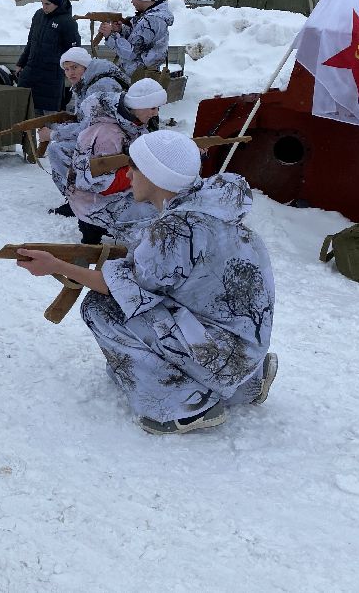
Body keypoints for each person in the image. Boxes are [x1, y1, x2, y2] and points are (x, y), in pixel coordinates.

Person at [16, 130, 277, 435]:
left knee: (103, 308)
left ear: (156, 177)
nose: (128, 174)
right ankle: (248, 385)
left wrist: (55, 266)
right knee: (156, 309)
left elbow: (123, 289)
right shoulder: (212, 205)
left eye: (135, 168)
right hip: (246, 346)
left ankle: (183, 407)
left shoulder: (176, 229)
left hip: (222, 352)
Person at [60, 79, 167, 241]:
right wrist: (142, 171)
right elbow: (101, 186)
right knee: (158, 215)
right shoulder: (108, 134)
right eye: (152, 108)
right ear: (138, 106)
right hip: (95, 203)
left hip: (112, 195)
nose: (156, 113)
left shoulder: (133, 126)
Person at [41, 47, 129, 198]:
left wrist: (53, 133)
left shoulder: (101, 85)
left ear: (85, 66)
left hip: (113, 141)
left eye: (75, 67)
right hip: (105, 137)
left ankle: (76, 199)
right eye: (67, 69)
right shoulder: (87, 83)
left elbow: (88, 127)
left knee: (57, 150)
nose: (70, 72)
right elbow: (84, 120)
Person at [16, 0, 81, 114]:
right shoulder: (38, 16)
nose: (44, 7)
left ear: (57, 3)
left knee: (48, 120)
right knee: (25, 114)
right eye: (42, 3)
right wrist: (21, 63)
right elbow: (31, 42)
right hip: (31, 73)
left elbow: (74, 52)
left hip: (51, 77)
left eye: (47, 4)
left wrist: (71, 72)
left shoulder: (67, 22)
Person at [99, 0, 173, 80]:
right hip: (141, 75)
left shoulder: (151, 20)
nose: (132, 2)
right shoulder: (150, 16)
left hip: (138, 77)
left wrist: (111, 35)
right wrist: (121, 30)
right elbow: (138, 39)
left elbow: (131, 53)